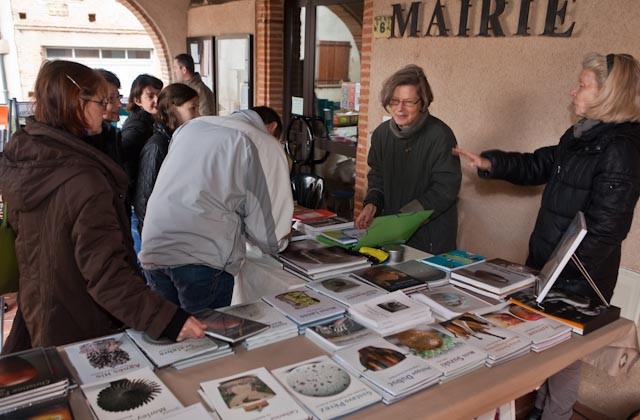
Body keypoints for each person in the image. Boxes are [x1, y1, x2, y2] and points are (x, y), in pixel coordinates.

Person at [454, 52, 640, 420]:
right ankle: (541, 409)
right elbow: (540, 163)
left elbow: (606, 230)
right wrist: (493, 163)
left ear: (609, 93)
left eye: (583, 85)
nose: (573, 91)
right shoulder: (581, 135)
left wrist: (558, 280)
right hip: (548, 268)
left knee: (565, 355)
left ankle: (555, 414)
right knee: (547, 348)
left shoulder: (621, 149)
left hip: (576, 278)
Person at [0, 60, 205, 352]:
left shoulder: (28, 155)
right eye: (101, 101)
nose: (110, 108)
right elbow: (105, 274)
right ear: (77, 104)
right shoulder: (83, 178)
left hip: (42, 305)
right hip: (80, 319)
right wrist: (169, 319)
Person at [139, 107, 293, 313]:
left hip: (154, 245)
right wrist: (281, 241)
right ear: (272, 127)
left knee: (171, 337)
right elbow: (269, 235)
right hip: (202, 257)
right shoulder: (261, 142)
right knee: (209, 339)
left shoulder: (192, 127)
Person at [354, 64, 461, 254]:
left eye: (409, 102)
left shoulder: (441, 135)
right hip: (392, 233)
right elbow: (377, 175)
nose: (400, 109)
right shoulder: (381, 135)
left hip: (430, 237)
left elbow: (445, 189)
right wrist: (372, 203)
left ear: (423, 103)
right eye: (394, 101)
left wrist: (403, 218)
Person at [134, 83, 199, 227]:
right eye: (193, 108)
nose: (198, 115)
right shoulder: (157, 146)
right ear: (173, 108)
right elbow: (144, 201)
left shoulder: (179, 141)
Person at [121, 74, 163, 251]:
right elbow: (124, 157)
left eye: (158, 95)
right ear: (137, 100)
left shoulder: (149, 120)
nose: (156, 100)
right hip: (137, 202)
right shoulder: (137, 126)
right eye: (150, 96)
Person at [86, 68, 124, 168]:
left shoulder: (112, 135)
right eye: (110, 99)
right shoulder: (81, 143)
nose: (119, 104)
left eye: (118, 97)